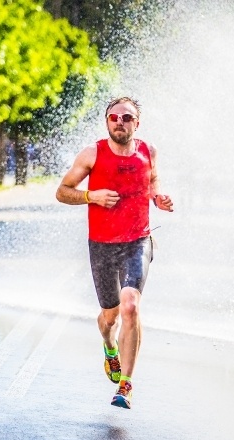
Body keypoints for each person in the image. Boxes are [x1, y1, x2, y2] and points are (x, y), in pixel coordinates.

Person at [55, 96, 174, 409]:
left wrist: (158, 196)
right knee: (110, 318)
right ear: (107, 121)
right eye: (114, 118)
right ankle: (109, 347)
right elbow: (62, 192)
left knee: (130, 306)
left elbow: (153, 179)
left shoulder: (149, 151)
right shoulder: (93, 153)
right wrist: (91, 195)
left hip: (139, 240)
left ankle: (126, 385)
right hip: (103, 245)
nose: (120, 123)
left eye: (127, 118)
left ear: (137, 123)